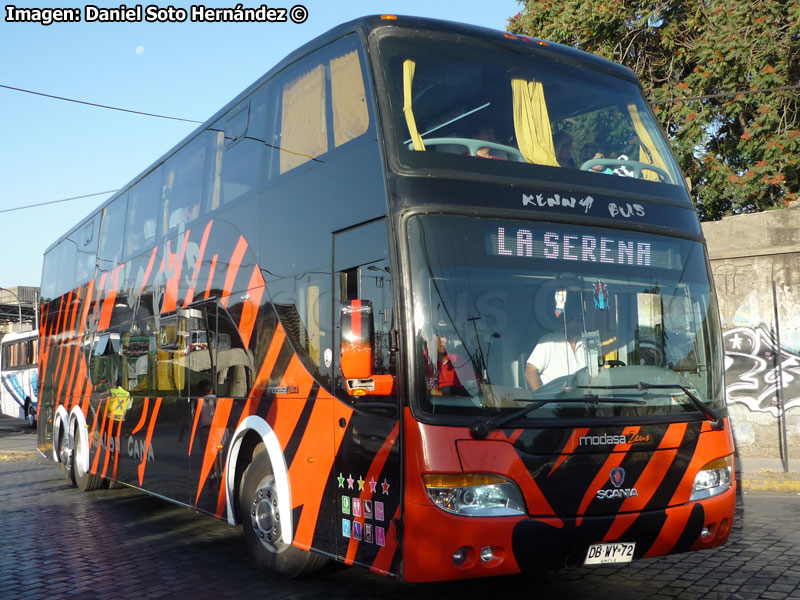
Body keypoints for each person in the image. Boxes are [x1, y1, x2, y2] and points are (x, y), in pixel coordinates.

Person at [525, 291, 586, 391]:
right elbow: (530, 372)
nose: (577, 323)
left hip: (583, 399)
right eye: (573, 319)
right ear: (564, 320)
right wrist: (540, 397)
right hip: (554, 399)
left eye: (580, 320)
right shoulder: (549, 341)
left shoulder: (587, 344)